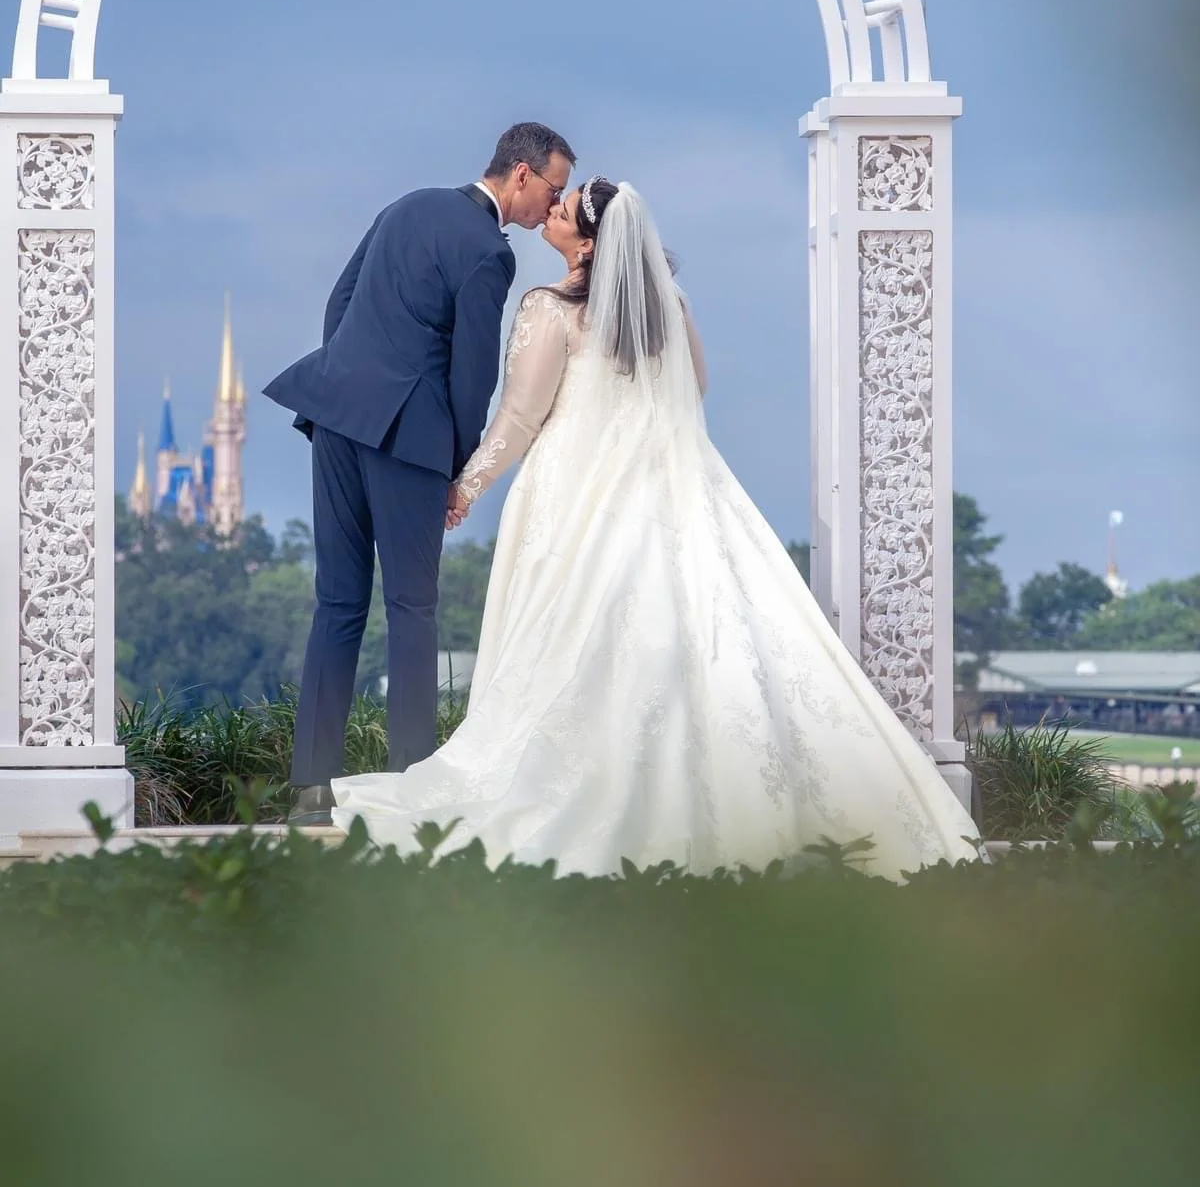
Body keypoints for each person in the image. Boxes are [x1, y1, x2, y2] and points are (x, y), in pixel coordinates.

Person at [332, 178, 979, 876]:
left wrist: (466, 486)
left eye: (562, 210)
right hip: (672, 482)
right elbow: (691, 386)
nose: (548, 211)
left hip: (572, 489)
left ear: (584, 246)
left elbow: (519, 417)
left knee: (574, 634)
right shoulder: (669, 305)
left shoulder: (547, 309)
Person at [264, 122, 576, 824]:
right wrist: (457, 467)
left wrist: (350, 377)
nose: (549, 208)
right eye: (551, 190)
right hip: (408, 440)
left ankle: (310, 791)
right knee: (412, 610)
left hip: (335, 414)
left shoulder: (406, 204)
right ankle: (414, 787)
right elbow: (472, 376)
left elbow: (338, 303)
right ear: (520, 175)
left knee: (336, 605)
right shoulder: (487, 254)